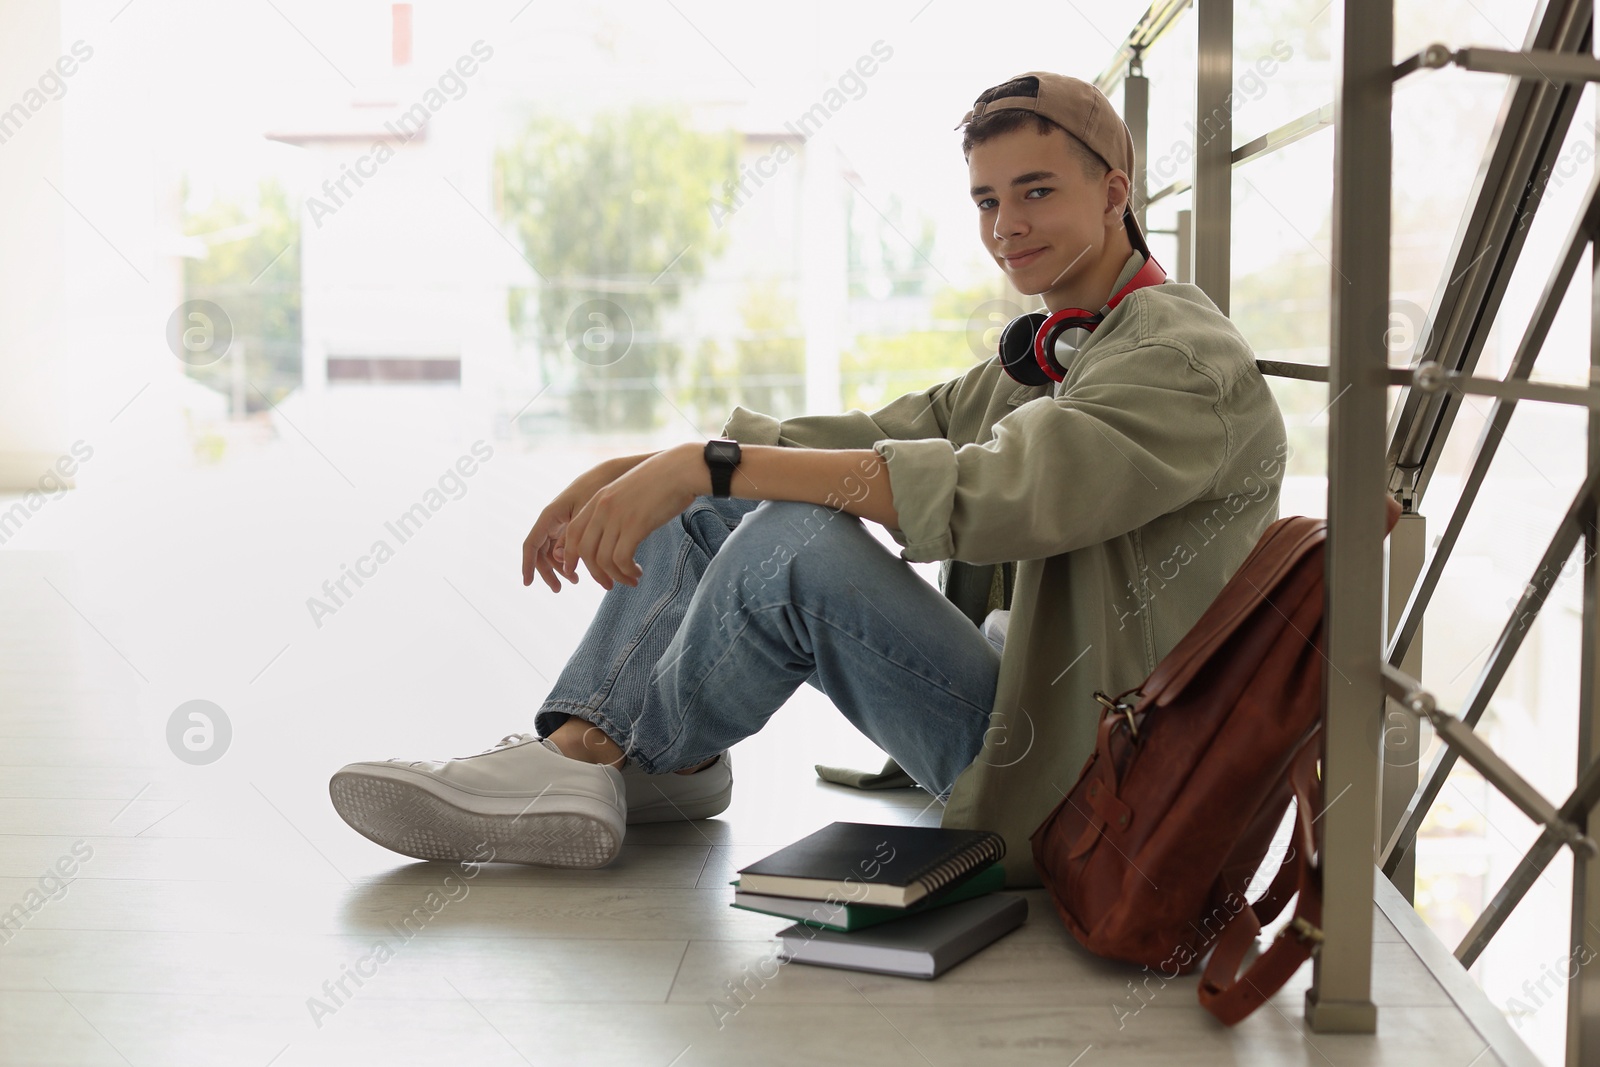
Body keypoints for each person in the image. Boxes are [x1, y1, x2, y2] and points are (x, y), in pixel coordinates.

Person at [328, 71, 1288, 885]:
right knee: (723, 496)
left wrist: (706, 465)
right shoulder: (1051, 350)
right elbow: (881, 435)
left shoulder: (1176, 355)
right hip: (1042, 718)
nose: (1006, 225)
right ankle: (656, 761)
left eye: (1036, 192)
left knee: (791, 540)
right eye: (988, 201)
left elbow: (998, 494)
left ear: (1114, 190)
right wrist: (664, 464)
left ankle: (584, 756)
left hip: (1095, 791)